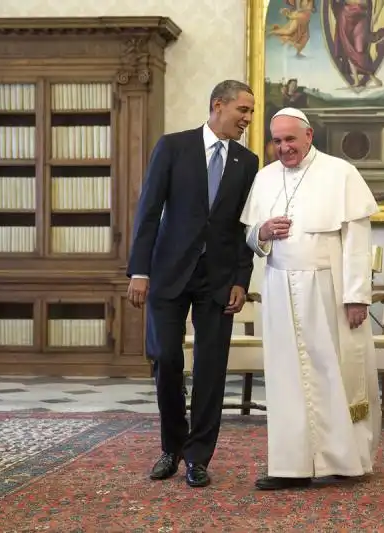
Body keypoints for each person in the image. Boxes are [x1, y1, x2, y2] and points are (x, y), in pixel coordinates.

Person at [126, 80, 259, 488]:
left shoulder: (247, 161)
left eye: (251, 113)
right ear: (218, 105)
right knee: (166, 358)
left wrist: (241, 278)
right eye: (243, 110)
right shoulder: (173, 146)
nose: (248, 120)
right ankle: (172, 446)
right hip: (167, 273)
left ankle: (198, 457)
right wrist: (139, 271)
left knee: (211, 369)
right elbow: (148, 210)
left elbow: (244, 227)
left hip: (217, 280)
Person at [240, 107, 382, 491]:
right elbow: (250, 236)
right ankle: (290, 465)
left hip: (328, 289)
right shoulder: (265, 177)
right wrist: (262, 231)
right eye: (277, 140)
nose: (284, 147)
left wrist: (357, 296)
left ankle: (345, 460)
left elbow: (356, 242)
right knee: (287, 378)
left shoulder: (340, 173)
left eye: (290, 139)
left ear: (308, 136)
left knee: (333, 373)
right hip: (279, 288)